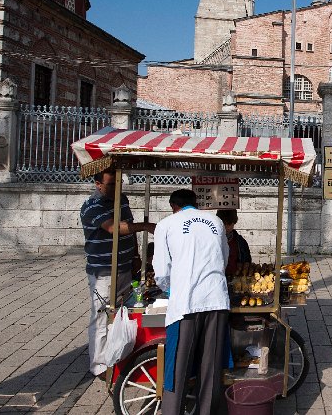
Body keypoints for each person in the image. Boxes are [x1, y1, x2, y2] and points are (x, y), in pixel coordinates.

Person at [154, 189, 230, 415]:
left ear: (173, 206)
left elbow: (161, 271)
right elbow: (223, 259)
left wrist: (171, 290)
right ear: (194, 204)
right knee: (210, 370)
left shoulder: (166, 225)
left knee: (177, 368)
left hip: (184, 306)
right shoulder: (215, 221)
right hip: (216, 300)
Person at [80, 169, 156, 378]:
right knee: (102, 315)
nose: (117, 188)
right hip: (103, 271)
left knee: (123, 312)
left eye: (119, 183)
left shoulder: (121, 199)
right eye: (112, 184)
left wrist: (134, 258)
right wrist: (146, 226)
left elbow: (128, 228)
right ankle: (99, 365)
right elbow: (115, 228)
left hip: (124, 266)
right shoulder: (92, 206)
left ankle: (117, 356)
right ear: (98, 184)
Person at [217, 209, 252, 277]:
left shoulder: (240, 242)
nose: (226, 227)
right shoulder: (214, 240)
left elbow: (247, 260)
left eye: (229, 224)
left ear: (234, 223)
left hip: (236, 278)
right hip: (218, 277)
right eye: (223, 224)